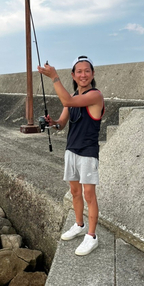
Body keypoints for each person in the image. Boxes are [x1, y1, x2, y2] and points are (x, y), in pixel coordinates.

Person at [37, 55, 104, 256]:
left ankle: (91, 236)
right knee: (75, 192)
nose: (83, 74)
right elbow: (62, 124)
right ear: (73, 75)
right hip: (71, 150)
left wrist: (54, 77)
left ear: (92, 74)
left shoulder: (95, 95)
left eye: (87, 71)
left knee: (89, 195)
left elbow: (66, 99)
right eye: (79, 71)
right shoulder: (73, 98)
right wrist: (52, 123)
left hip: (87, 152)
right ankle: (79, 225)